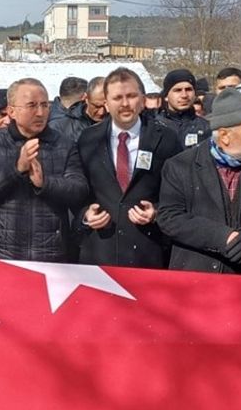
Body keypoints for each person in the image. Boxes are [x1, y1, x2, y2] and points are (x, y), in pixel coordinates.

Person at [157, 88, 241, 275]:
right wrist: (221, 237)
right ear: (225, 135)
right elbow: (169, 217)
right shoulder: (180, 166)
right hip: (198, 278)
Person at [75, 67, 181, 267]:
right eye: (117, 98)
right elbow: (79, 191)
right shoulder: (88, 139)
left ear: (142, 99)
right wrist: (85, 215)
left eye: (131, 96)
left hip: (148, 251)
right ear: (106, 103)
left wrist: (157, 212)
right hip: (100, 250)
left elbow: (179, 194)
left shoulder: (166, 139)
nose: (125, 104)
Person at [0, 78, 88, 261]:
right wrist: (16, 169)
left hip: (52, 252)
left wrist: (45, 183)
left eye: (45, 105)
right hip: (3, 251)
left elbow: (79, 190)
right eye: (32, 106)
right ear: (11, 111)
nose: (40, 112)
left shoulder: (64, 144)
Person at [154, 68, 209, 149]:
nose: (184, 95)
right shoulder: (153, 126)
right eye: (178, 90)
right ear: (166, 96)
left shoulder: (207, 128)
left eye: (188, 89)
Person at [50, 76, 104, 143]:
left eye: (107, 105)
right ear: (85, 98)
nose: (101, 112)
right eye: (97, 106)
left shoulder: (116, 123)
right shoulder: (59, 126)